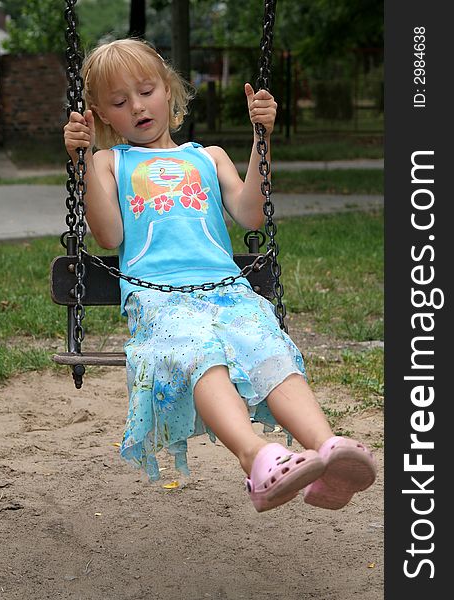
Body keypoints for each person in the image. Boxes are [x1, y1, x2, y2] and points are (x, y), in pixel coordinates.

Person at [63, 38, 376, 512]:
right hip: (159, 297)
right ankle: (259, 459)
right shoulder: (112, 162)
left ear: (168, 92)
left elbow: (251, 214)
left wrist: (261, 138)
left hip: (227, 289)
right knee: (197, 353)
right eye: (119, 102)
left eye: (146, 91)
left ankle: (328, 454)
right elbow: (107, 235)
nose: (138, 107)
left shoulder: (207, 156)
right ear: (102, 116)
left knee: (267, 346)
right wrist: (82, 161)